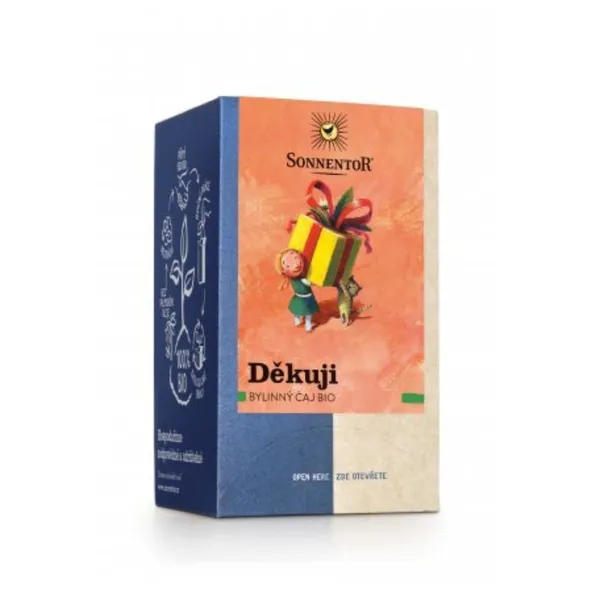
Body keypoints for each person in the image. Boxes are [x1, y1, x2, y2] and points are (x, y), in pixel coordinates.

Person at [276, 248, 319, 332]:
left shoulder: (291, 279)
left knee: (297, 312)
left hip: (298, 297)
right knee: (308, 314)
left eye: (296, 258)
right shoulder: (303, 280)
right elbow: (310, 283)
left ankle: (297, 321)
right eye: (288, 266)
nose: (296, 265)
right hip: (307, 299)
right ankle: (308, 326)